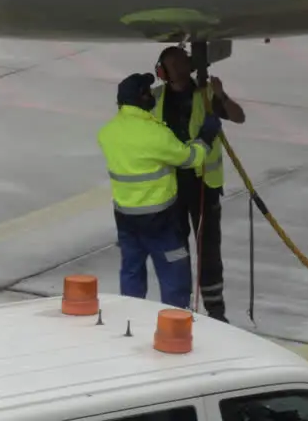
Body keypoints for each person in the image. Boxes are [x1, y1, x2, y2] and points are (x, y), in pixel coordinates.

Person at [97, 72, 223, 309]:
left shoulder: (107, 132)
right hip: (159, 219)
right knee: (174, 270)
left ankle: (130, 316)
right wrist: (205, 135)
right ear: (141, 98)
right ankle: (174, 320)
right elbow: (190, 158)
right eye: (147, 91)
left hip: (125, 216)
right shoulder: (156, 135)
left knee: (131, 269)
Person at [151, 45, 246, 322]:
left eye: (182, 63)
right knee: (176, 250)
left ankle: (216, 311)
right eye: (173, 65)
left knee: (208, 252)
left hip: (203, 186)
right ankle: (179, 306)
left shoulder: (206, 96)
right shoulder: (155, 99)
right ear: (163, 72)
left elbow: (239, 116)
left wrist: (221, 96)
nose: (179, 70)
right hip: (171, 188)